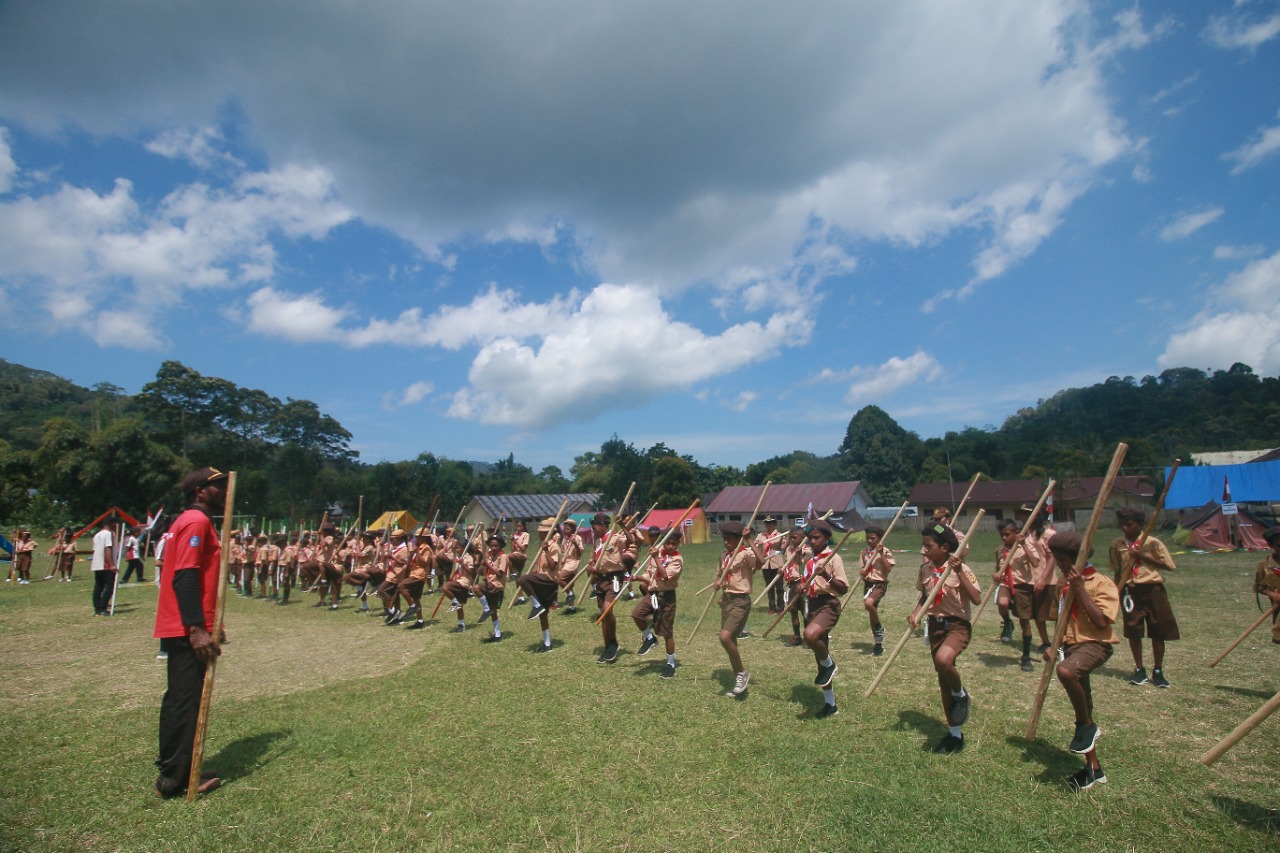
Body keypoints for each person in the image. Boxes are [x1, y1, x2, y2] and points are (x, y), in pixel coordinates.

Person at [152, 466, 229, 799]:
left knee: (184, 699)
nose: (225, 492)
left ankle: (183, 765)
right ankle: (175, 780)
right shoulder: (196, 522)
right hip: (185, 627)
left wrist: (213, 625)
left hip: (188, 623)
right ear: (201, 491)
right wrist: (197, 629)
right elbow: (184, 577)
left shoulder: (190, 521)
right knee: (184, 701)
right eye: (218, 487)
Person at [1045, 530, 1118, 792]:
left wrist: (1079, 589)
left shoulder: (1101, 583)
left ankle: (1088, 726)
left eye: (1061, 558)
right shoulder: (1062, 584)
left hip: (1095, 644)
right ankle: (1094, 769)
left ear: (1077, 558)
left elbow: (1101, 622)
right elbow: (1059, 619)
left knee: (1066, 672)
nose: (1058, 563)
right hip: (1070, 646)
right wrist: (1053, 646)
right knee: (1082, 703)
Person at [910, 523, 981, 754]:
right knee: (943, 680)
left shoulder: (962, 569)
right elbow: (924, 596)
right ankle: (954, 735)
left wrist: (959, 571)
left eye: (929, 546)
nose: (924, 550)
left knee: (944, 660)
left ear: (945, 547)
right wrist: (916, 612)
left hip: (957, 627)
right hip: (936, 627)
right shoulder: (925, 569)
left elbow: (976, 599)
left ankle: (961, 694)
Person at [1108, 506, 1179, 688]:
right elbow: (1117, 570)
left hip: (1153, 589)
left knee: (1158, 628)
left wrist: (1142, 556)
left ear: (1139, 524)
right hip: (1130, 591)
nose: (1125, 528)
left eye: (1129, 525)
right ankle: (1139, 669)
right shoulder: (1118, 545)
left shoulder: (1152, 542)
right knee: (1133, 629)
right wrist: (1117, 590)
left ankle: (1158, 670)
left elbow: (1168, 565)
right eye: (1122, 525)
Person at [801, 519, 850, 718]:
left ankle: (830, 664)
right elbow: (806, 582)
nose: (812, 541)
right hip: (812, 604)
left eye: (816, 537)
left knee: (810, 636)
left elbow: (843, 589)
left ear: (827, 538)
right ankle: (830, 704)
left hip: (828, 605)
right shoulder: (809, 559)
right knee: (819, 657)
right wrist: (800, 587)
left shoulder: (833, 558)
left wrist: (826, 576)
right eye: (810, 537)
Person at [714, 521, 765, 697]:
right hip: (727, 600)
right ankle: (739, 678)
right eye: (724, 539)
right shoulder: (723, 556)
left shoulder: (745, 554)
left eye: (729, 540)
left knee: (725, 637)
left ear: (738, 539)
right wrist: (719, 585)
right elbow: (721, 576)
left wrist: (749, 540)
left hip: (740, 601)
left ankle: (742, 673)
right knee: (731, 640)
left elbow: (761, 562)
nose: (726, 542)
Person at [630, 527, 683, 678]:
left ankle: (670, 663)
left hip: (667, 597)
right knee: (637, 614)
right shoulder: (657, 554)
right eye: (668, 543)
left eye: (674, 544)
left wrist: (656, 558)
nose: (670, 546)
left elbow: (665, 576)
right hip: (652, 594)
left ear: (678, 544)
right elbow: (650, 575)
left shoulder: (677, 559)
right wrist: (637, 578)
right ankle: (649, 638)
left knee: (667, 632)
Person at [586, 513, 636, 663]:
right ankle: (608, 646)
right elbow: (592, 560)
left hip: (614, 577)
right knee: (603, 612)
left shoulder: (615, 537)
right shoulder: (596, 542)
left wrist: (622, 525)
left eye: (595, 526)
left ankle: (613, 642)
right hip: (600, 579)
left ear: (603, 526)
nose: (593, 529)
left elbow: (631, 541)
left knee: (608, 609)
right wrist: (591, 567)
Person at [517, 517, 563, 652]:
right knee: (544, 614)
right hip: (542, 578)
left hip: (549, 581)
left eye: (543, 531)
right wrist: (534, 571)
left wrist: (547, 550)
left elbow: (553, 566)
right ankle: (547, 644)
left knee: (522, 580)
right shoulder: (542, 546)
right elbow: (542, 567)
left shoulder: (553, 546)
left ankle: (536, 605)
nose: (540, 533)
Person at [859, 524, 895, 655]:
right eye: (868, 538)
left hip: (879, 584)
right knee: (871, 612)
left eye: (873, 538)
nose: (869, 540)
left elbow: (889, 568)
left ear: (879, 539)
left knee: (869, 603)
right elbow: (862, 568)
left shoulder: (885, 551)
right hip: (868, 584)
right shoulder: (863, 552)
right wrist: (862, 572)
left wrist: (880, 554)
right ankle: (878, 643)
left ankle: (879, 626)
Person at [1253, 526, 1280, 644]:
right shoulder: (1265, 566)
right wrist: (1272, 594)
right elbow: (1259, 587)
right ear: (1271, 546)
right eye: (1279, 545)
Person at [758, 517, 786, 614]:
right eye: (766, 524)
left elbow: (782, 549)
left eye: (770, 524)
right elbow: (755, 549)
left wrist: (777, 548)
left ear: (774, 524)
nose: (768, 526)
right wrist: (761, 546)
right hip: (765, 564)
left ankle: (781, 607)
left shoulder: (780, 535)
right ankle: (772, 607)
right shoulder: (760, 536)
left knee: (779, 587)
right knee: (769, 587)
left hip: (777, 563)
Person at [91, 521, 117, 615]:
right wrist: (112, 564)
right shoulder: (109, 534)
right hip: (105, 564)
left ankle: (97, 608)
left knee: (99, 586)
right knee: (110, 586)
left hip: (97, 563)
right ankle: (102, 608)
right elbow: (108, 548)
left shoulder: (97, 535)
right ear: (113, 524)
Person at [509, 520, 530, 603]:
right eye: (517, 526)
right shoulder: (515, 535)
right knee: (518, 579)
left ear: (524, 526)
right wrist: (512, 541)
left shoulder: (526, 535)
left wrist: (515, 540)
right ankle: (521, 597)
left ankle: (513, 572)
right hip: (514, 555)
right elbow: (512, 549)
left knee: (506, 557)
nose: (518, 528)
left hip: (521, 555)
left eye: (520, 526)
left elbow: (523, 548)